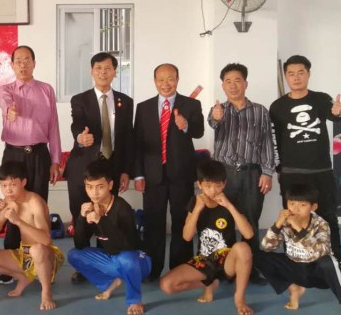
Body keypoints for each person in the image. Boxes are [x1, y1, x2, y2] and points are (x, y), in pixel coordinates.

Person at [269, 55, 341, 285]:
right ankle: (296, 267)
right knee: (292, 220)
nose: (296, 77)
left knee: (328, 218)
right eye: (291, 73)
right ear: (286, 76)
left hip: (321, 171)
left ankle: (337, 265)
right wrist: (279, 169)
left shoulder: (321, 99)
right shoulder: (277, 107)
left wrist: (339, 112)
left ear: (308, 74)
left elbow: (334, 115)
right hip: (292, 173)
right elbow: (275, 140)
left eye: (301, 72)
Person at [257, 183, 341, 315]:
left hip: (316, 274)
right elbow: (267, 247)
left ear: (313, 207)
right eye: (291, 204)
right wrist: (277, 225)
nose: (295, 209)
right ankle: (294, 288)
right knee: (257, 255)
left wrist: (299, 229)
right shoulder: (284, 222)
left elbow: (319, 252)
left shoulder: (321, 224)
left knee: (329, 261)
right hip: (294, 269)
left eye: (302, 205)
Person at [0, 46, 62, 284]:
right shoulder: (6, 90)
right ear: (12, 65)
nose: (23, 65)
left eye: (27, 60)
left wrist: (56, 160)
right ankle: (11, 265)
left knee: (38, 206)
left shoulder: (46, 90)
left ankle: (38, 263)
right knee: (13, 206)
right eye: (18, 61)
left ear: (34, 63)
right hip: (14, 155)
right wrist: (10, 111)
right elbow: (5, 103)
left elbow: (53, 126)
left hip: (39, 154)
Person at [66, 52, 134, 283]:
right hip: (83, 166)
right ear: (91, 71)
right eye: (98, 68)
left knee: (107, 216)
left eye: (108, 68)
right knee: (83, 214)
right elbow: (76, 123)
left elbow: (126, 138)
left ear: (115, 72)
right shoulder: (80, 99)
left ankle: (106, 261)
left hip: (111, 168)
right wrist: (80, 137)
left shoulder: (125, 101)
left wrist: (125, 170)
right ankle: (84, 265)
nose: (103, 72)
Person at [133, 63, 204, 280]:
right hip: (152, 175)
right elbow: (137, 144)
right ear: (154, 81)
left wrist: (185, 125)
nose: (166, 84)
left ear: (177, 79)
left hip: (181, 174)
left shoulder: (191, 104)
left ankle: (180, 268)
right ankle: (151, 269)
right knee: (153, 222)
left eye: (170, 79)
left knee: (182, 221)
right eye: (161, 79)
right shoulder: (143, 107)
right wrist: (139, 174)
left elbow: (199, 131)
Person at [159, 160, 254, 315]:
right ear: (200, 185)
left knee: (243, 248)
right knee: (166, 285)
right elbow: (187, 237)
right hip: (204, 260)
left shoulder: (231, 200)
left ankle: (240, 298)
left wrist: (229, 206)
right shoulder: (195, 202)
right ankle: (210, 283)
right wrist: (197, 210)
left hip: (227, 259)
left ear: (224, 184)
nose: (213, 191)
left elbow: (249, 234)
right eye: (208, 186)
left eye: (218, 186)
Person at [208, 63, 275, 282]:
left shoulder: (260, 111)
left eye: (237, 80)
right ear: (223, 86)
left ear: (246, 83)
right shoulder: (218, 110)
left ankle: (250, 268)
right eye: (228, 81)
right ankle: (225, 269)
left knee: (250, 222)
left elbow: (267, 143)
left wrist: (267, 172)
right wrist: (216, 117)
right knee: (223, 221)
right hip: (224, 175)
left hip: (251, 174)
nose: (233, 85)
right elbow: (212, 123)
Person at [67, 159, 150, 315]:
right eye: (89, 187)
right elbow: (80, 245)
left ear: (110, 185)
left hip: (139, 262)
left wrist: (101, 221)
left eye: (100, 187)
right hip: (113, 259)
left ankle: (135, 300)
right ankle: (109, 283)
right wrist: (81, 218)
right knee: (73, 255)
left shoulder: (122, 208)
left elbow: (129, 246)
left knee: (126, 258)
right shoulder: (90, 207)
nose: (94, 193)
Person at [0, 161, 65, 310]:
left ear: (23, 182)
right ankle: (24, 276)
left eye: (13, 185)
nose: (8, 190)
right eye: (4, 185)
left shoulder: (34, 202)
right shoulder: (7, 202)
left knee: (37, 249)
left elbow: (45, 239)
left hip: (47, 255)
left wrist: (18, 222)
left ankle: (46, 293)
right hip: (24, 254)